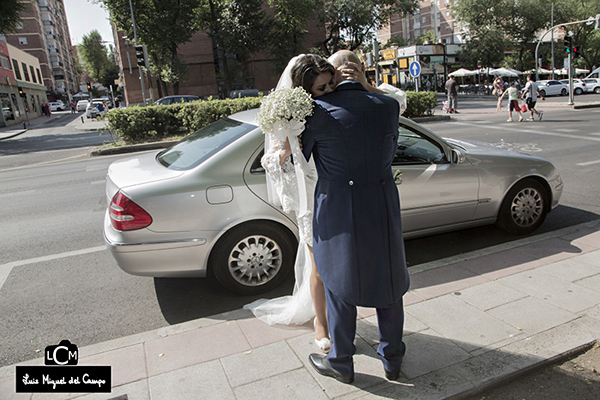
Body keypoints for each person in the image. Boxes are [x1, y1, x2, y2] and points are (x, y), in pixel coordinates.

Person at [302, 52, 410, 384]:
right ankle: (392, 359)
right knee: (389, 281)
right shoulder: (388, 106)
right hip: (380, 201)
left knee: (338, 281)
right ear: (362, 72)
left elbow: (302, 157)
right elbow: (390, 151)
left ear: (333, 75)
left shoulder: (317, 111)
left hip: (337, 205)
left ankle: (342, 362)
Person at [244, 54, 335, 353]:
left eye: (330, 85)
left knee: (339, 263)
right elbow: (271, 160)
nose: (328, 92)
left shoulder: (333, 110)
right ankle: (321, 322)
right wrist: (283, 153)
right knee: (320, 266)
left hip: (337, 194)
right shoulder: (291, 117)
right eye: (321, 89)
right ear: (305, 90)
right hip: (310, 198)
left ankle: (338, 317)